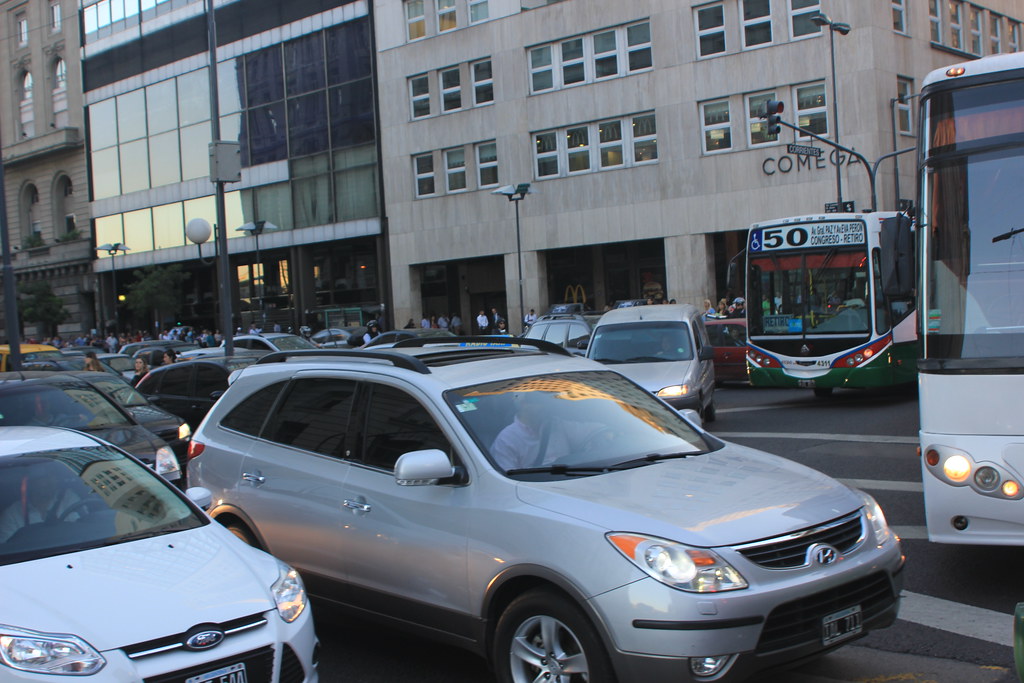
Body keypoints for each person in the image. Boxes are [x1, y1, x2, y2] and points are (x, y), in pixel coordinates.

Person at [489, 393, 610, 471]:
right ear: (522, 404)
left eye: (545, 401)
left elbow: (589, 430)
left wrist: (609, 432)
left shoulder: (557, 425)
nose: (544, 406)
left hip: (571, 479)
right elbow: (508, 479)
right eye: (538, 401)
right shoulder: (506, 440)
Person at [0, 465, 83, 543]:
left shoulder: (68, 498)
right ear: (31, 483)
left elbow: (82, 529)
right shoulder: (12, 515)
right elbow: (8, 546)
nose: (50, 482)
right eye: (44, 478)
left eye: (53, 477)